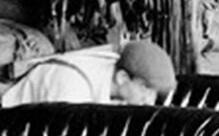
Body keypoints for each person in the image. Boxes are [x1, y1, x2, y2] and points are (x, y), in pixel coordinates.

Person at [2, 40, 176, 107]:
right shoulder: (72, 86)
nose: (150, 100)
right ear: (122, 77)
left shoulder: (112, 85)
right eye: (145, 88)